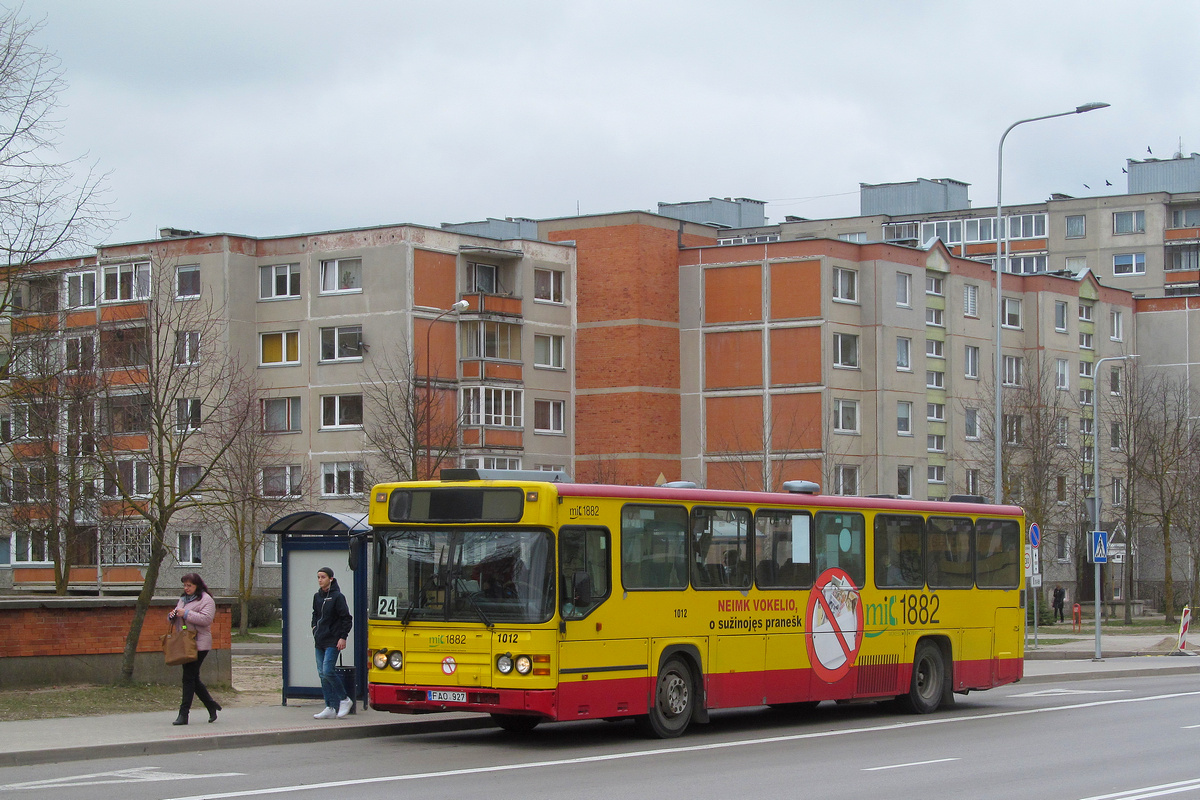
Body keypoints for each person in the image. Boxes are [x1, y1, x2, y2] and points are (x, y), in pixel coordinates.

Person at [168, 573, 221, 725]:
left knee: (188, 677)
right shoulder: (183, 599)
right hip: (185, 643)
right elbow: (176, 615)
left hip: (199, 643)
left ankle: (183, 714)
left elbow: (206, 619)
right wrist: (172, 616)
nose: (186, 588)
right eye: (184, 585)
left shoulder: (206, 600)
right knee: (193, 678)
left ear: (197, 585)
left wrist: (185, 613)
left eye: (189, 586)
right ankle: (211, 706)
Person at [312, 566, 353, 720]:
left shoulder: (338, 597)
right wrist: (314, 627)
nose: (320, 580)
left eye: (323, 577)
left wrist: (343, 637)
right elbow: (315, 614)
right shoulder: (317, 597)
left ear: (331, 579)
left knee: (328, 670)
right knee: (322, 674)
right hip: (320, 640)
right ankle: (329, 706)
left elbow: (346, 618)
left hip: (333, 640)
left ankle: (344, 699)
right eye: (318, 577)